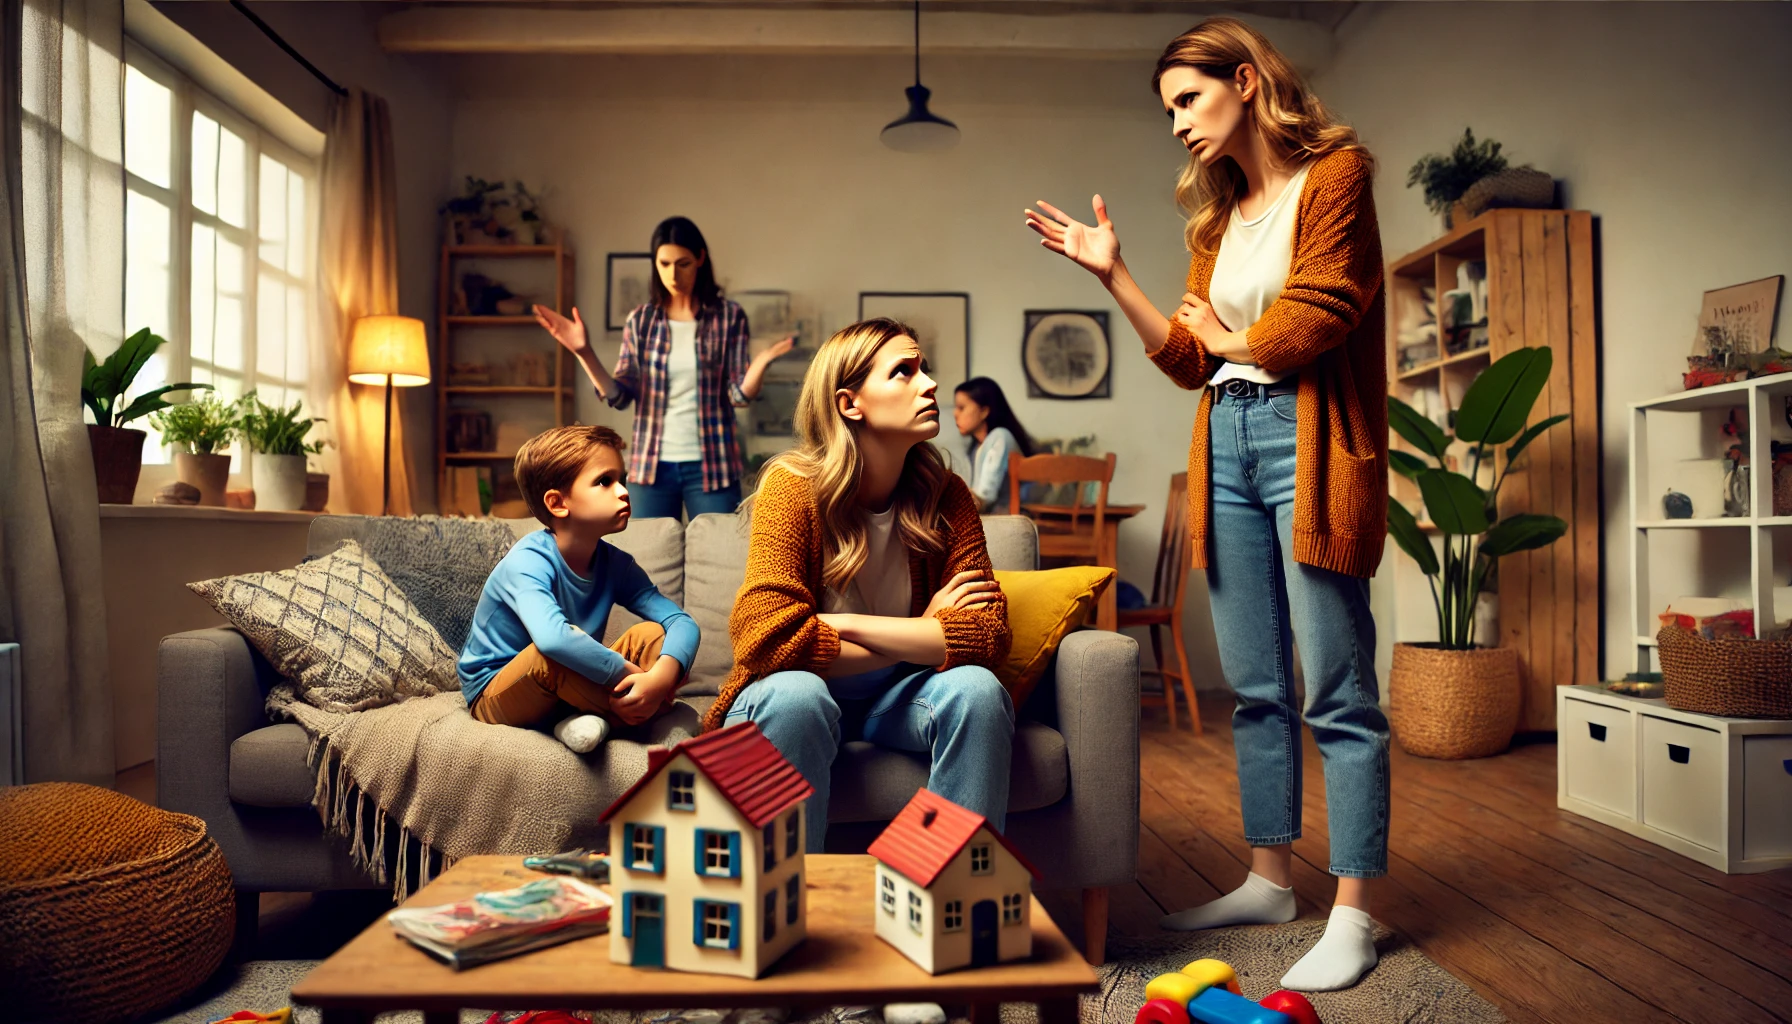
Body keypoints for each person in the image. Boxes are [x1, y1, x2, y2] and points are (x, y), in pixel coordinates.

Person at [1025, 16, 1390, 992]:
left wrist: (1234, 338)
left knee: (1338, 687)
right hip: (1224, 436)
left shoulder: (1337, 175)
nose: (1177, 123)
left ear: (1242, 79)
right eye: (1168, 111)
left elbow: (1322, 310)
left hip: (1306, 438)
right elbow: (1192, 356)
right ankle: (1269, 876)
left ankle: (1354, 907)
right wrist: (1114, 277)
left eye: (1187, 99)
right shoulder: (1216, 219)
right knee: (1256, 683)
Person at [712, 318, 1015, 857]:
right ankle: (788, 905)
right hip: (792, 698)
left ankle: (934, 892)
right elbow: (765, 640)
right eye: (904, 371)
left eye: (924, 368)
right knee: (796, 693)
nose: (931, 383)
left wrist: (848, 626)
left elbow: (987, 635)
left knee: (977, 691)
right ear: (851, 403)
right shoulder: (793, 488)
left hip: (893, 700)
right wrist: (925, 634)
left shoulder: (946, 496)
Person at [459, 425, 701, 753]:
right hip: (496, 692)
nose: (623, 491)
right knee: (550, 654)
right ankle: (649, 716)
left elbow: (680, 623)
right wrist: (627, 673)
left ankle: (589, 718)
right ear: (558, 503)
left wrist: (659, 679)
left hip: (566, 684)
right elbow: (554, 639)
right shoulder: (527, 562)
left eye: (622, 479)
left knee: (652, 634)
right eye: (605, 481)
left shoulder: (616, 565)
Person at [532, 216, 793, 520]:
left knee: (717, 556)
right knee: (649, 558)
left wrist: (760, 362)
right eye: (664, 264)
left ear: (700, 259)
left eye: (682, 263)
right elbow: (620, 395)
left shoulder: (729, 317)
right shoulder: (641, 320)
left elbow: (738, 395)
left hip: (714, 464)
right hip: (651, 467)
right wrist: (583, 351)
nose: (673, 274)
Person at [952, 376, 1038, 512]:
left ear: (984, 412)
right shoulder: (976, 448)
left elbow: (984, 497)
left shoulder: (1000, 437)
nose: (954, 414)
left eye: (961, 408)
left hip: (1008, 518)